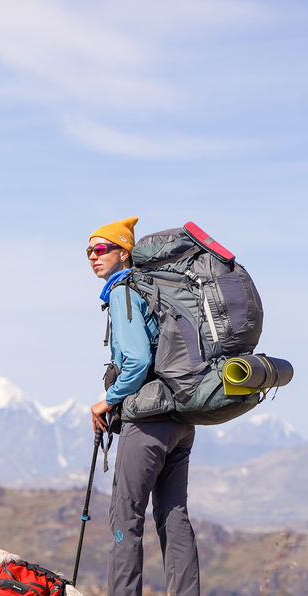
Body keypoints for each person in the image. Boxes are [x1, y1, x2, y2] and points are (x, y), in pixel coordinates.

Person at [87, 217, 200, 596]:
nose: (92, 257)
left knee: (125, 516)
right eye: (88, 250)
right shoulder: (156, 292)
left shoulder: (123, 292)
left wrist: (107, 400)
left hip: (148, 421)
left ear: (123, 253)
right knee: (173, 514)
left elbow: (135, 361)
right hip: (181, 418)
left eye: (101, 249)